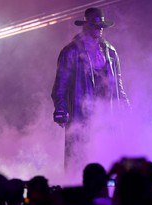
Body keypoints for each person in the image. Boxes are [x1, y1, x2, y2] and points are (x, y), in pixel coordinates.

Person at [51, 7, 130, 171]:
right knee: (80, 159)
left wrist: (123, 101)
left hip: (107, 115)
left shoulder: (111, 52)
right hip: (81, 116)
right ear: (85, 26)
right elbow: (61, 83)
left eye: (102, 26)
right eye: (96, 25)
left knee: (107, 159)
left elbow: (117, 81)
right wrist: (60, 107)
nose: (100, 29)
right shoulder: (70, 52)